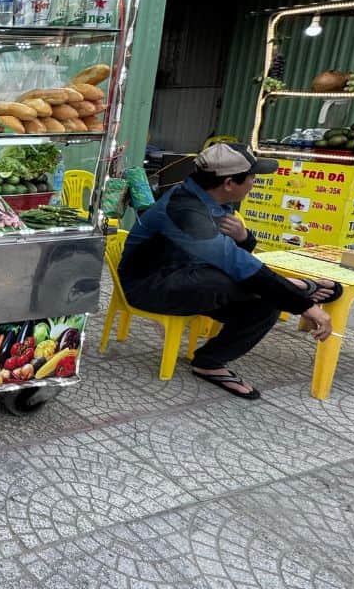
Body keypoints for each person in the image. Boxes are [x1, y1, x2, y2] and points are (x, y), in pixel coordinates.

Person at [118, 142, 338, 400]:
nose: (255, 182)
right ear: (229, 183)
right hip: (148, 286)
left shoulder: (218, 200)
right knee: (227, 279)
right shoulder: (184, 210)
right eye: (252, 177)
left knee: (267, 302)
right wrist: (303, 305)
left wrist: (245, 237)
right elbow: (236, 264)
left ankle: (209, 362)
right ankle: (294, 287)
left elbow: (238, 256)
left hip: (194, 280)